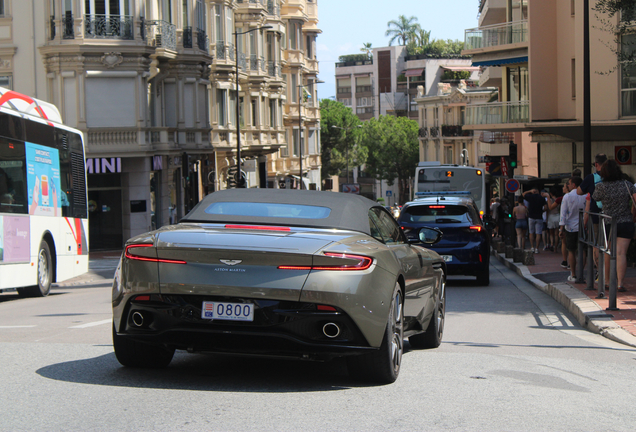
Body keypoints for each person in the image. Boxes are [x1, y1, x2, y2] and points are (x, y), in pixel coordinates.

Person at [592, 159, 636, 292]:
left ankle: (607, 281)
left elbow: (595, 198)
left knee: (608, 253)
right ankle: (620, 284)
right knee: (622, 253)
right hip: (626, 221)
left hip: (608, 222)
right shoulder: (627, 184)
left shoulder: (601, 186)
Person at [577, 153, 608, 270]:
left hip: (596, 216)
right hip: (611, 216)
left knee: (596, 245)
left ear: (596, 164)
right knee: (609, 246)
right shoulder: (613, 177)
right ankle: (609, 271)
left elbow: (579, 191)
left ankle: (600, 272)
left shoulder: (591, 178)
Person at [560, 176, 587, 282]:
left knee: (571, 250)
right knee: (583, 250)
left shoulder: (567, 196)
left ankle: (574, 274)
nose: (568, 185)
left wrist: (561, 228)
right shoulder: (585, 195)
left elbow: (563, 214)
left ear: (573, 185)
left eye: (569, 183)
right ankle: (581, 273)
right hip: (583, 226)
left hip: (570, 227)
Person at [522, 188, 547, 253]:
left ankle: (532, 247)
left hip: (531, 216)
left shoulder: (530, 197)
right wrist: (542, 211)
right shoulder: (541, 198)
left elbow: (523, 194)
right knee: (538, 233)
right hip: (539, 217)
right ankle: (537, 248)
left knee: (531, 232)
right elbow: (546, 207)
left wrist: (529, 191)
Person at [545, 186, 562, 253]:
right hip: (557, 216)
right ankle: (555, 248)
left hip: (551, 216)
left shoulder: (550, 200)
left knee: (551, 233)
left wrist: (546, 218)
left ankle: (551, 244)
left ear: (550, 193)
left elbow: (548, 209)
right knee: (556, 234)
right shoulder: (558, 200)